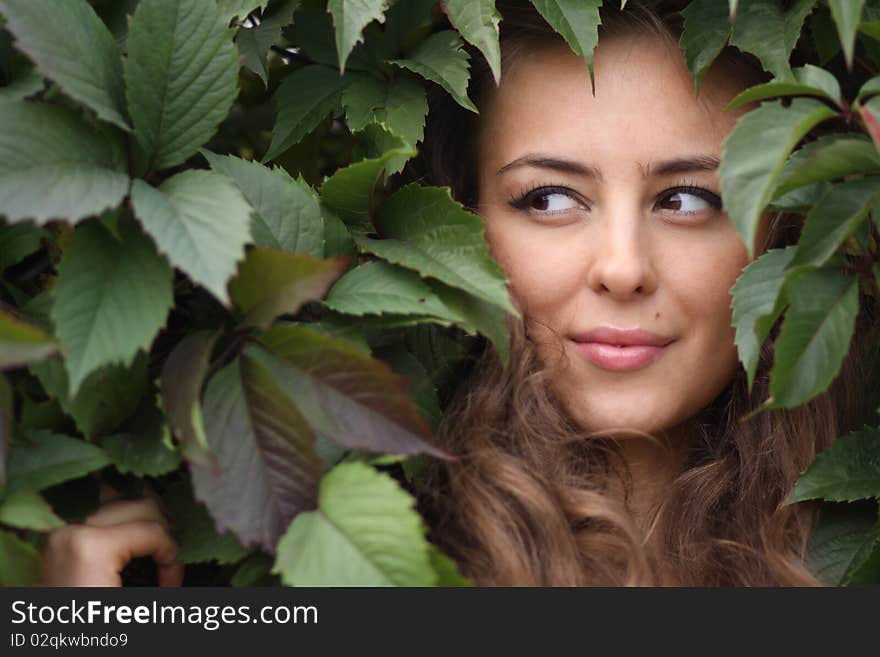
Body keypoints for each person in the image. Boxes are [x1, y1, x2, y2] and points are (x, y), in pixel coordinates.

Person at [42, 0, 877, 586]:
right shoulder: (316, 551)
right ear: (458, 223)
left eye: (689, 199)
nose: (622, 268)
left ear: (786, 230)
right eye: (549, 198)